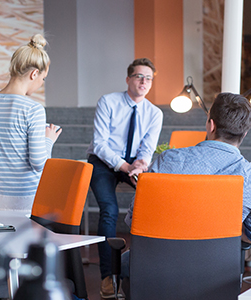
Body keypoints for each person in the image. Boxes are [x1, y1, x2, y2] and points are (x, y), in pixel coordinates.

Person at [125, 92, 251, 245]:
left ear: (211, 125)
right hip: (217, 265)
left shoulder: (168, 159)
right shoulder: (250, 174)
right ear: (245, 133)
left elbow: (134, 218)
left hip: (156, 260)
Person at [86, 58, 163, 299]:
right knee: (109, 210)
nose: (144, 81)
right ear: (128, 79)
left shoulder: (154, 113)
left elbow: (147, 149)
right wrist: (124, 165)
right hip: (103, 161)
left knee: (155, 204)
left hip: (132, 163)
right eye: (139, 76)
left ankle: (149, 270)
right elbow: (99, 144)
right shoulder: (108, 102)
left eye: (148, 78)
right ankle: (108, 277)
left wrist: (140, 165)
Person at [0, 33, 61, 212]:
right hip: (27, 201)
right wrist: (48, 140)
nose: (41, 84)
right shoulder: (33, 109)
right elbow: (39, 164)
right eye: (42, 79)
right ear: (34, 73)